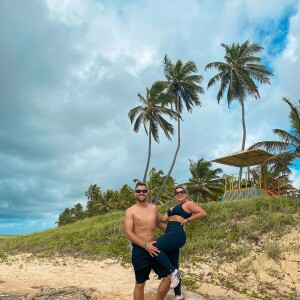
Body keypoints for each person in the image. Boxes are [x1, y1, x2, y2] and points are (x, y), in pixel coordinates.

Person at [153, 186, 207, 300]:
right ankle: (178, 295)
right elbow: (163, 219)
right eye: (177, 193)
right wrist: (154, 208)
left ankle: (172, 272)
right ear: (175, 195)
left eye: (182, 192)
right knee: (174, 264)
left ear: (186, 194)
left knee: (153, 247)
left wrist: (188, 220)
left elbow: (202, 213)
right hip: (170, 236)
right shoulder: (172, 208)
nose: (179, 194)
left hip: (177, 234)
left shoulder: (188, 204)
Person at [124, 182, 172, 300]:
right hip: (140, 249)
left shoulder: (153, 208)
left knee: (169, 277)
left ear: (147, 193)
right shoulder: (130, 211)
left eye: (144, 191)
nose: (141, 193)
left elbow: (160, 222)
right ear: (135, 193)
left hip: (155, 248)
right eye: (139, 191)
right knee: (140, 284)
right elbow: (128, 233)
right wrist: (145, 246)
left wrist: (174, 231)